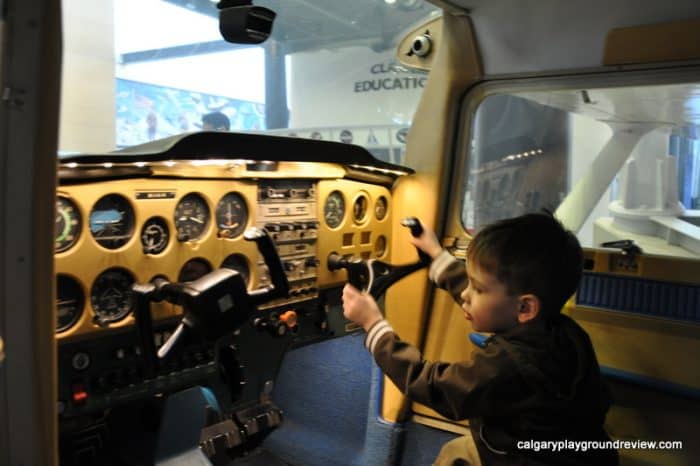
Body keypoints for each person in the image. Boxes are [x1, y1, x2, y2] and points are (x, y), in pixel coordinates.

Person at [342, 211, 618, 466]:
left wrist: (374, 325)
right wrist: (437, 255)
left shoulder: (508, 365)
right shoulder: (563, 331)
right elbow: (491, 296)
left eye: (477, 289)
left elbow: (435, 386)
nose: (465, 295)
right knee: (455, 451)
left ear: (525, 308)